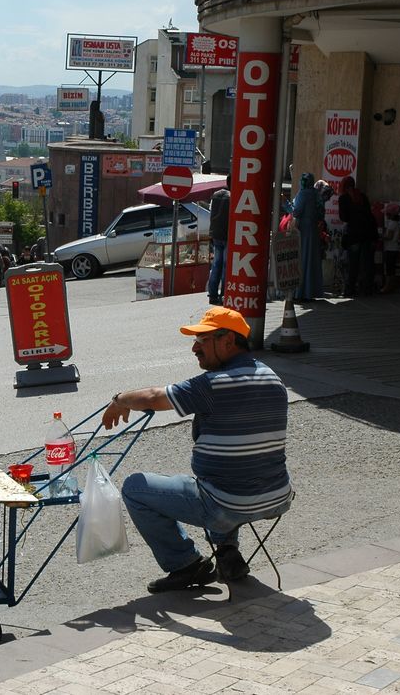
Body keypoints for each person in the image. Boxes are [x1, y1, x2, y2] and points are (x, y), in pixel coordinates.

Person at [102, 306, 293, 592]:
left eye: (202, 341)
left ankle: (186, 565)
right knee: (218, 481)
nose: (194, 348)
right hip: (276, 497)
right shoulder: (272, 378)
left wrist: (118, 399)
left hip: (228, 502)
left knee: (135, 487)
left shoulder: (214, 384)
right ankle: (227, 552)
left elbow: (154, 397)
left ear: (227, 341)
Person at [338, 176, 379, 297]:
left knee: (353, 264)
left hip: (354, 234)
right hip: (369, 233)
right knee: (367, 263)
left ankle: (350, 290)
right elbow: (368, 214)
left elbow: (344, 217)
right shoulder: (362, 196)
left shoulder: (344, 198)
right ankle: (367, 289)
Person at [291, 172, 323, 301]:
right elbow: (321, 213)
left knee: (303, 259)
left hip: (303, 230)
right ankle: (311, 291)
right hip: (314, 229)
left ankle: (301, 292)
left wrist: (285, 204)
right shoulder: (316, 194)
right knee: (312, 259)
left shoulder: (303, 194)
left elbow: (296, 211)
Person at [207, 174, 231, 306]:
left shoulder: (216, 195)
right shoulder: (233, 197)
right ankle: (224, 294)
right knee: (226, 265)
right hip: (227, 235)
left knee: (216, 264)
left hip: (216, 235)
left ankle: (212, 294)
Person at [381, 203, 400, 293]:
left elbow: (389, 237)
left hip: (391, 248)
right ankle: (391, 285)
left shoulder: (392, 224)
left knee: (389, 269)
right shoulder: (395, 223)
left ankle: (388, 286)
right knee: (391, 268)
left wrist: (380, 237)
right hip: (394, 248)